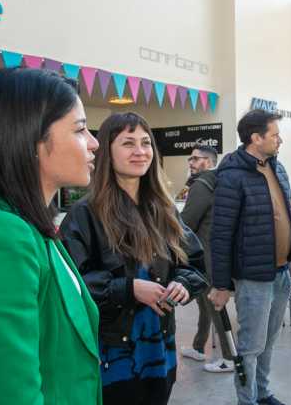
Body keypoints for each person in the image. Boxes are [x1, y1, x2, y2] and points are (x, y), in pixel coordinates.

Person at [0, 67, 103, 404]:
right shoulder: (2, 234)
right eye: (80, 129)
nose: (93, 143)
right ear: (30, 138)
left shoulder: (34, 227)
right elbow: (13, 393)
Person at [60, 112, 209, 405]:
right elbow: (71, 286)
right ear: (106, 151)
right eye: (128, 143)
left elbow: (194, 263)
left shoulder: (164, 210)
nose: (140, 152)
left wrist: (183, 283)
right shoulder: (85, 214)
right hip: (112, 355)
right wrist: (128, 289)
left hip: (160, 349)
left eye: (145, 143)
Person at [208, 109, 291, 405]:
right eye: (274, 135)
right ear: (255, 138)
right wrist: (221, 284)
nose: (280, 140)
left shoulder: (277, 167)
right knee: (251, 346)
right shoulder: (232, 175)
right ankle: (247, 400)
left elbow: (285, 215)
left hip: (282, 272)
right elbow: (220, 234)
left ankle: (263, 393)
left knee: (269, 342)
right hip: (253, 277)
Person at [177, 144, 235, 373]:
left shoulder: (201, 185)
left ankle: (230, 357)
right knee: (205, 304)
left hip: (206, 256)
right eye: (190, 159)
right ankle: (199, 347)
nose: (191, 163)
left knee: (213, 305)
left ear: (209, 162)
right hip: (216, 253)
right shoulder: (218, 182)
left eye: (196, 158)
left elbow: (187, 222)